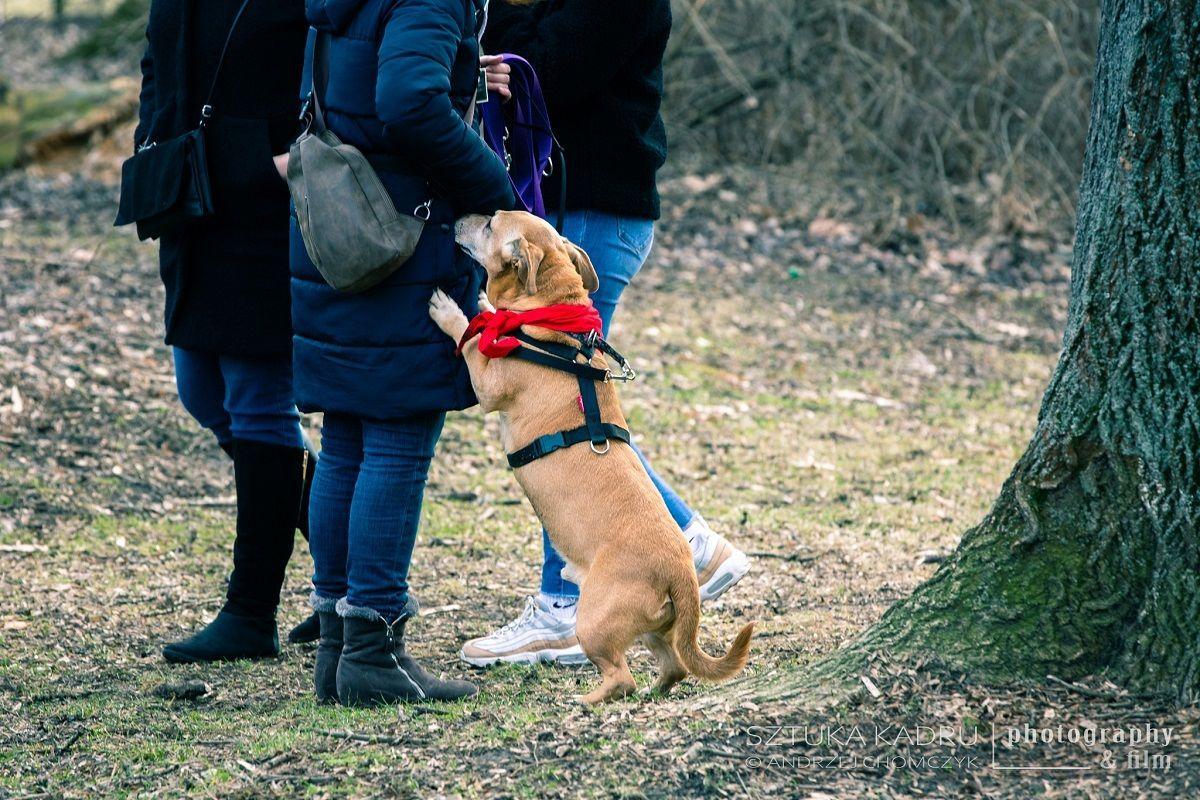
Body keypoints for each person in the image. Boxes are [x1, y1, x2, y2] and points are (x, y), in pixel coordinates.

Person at [464, 0, 750, 667]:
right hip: (567, 209)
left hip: (592, 216)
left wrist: (504, 46)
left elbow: (544, 72)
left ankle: (566, 605)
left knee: (562, 409)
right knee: (569, 404)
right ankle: (683, 537)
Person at [291, 0, 517, 706]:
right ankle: (372, 649)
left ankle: (338, 647)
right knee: (395, 442)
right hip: (402, 235)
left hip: (342, 222)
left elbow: (371, 81)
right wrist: (495, 191)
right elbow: (408, 102)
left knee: (350, 438)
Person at [135, 0, 320, 663]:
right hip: (192, 198)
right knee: (203, 394)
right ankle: (348, 575)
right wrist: (152, 144)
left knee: (257, 405)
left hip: (266, 212)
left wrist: (283, 163)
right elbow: (160, 63)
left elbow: (343, 63)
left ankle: (250, 612)